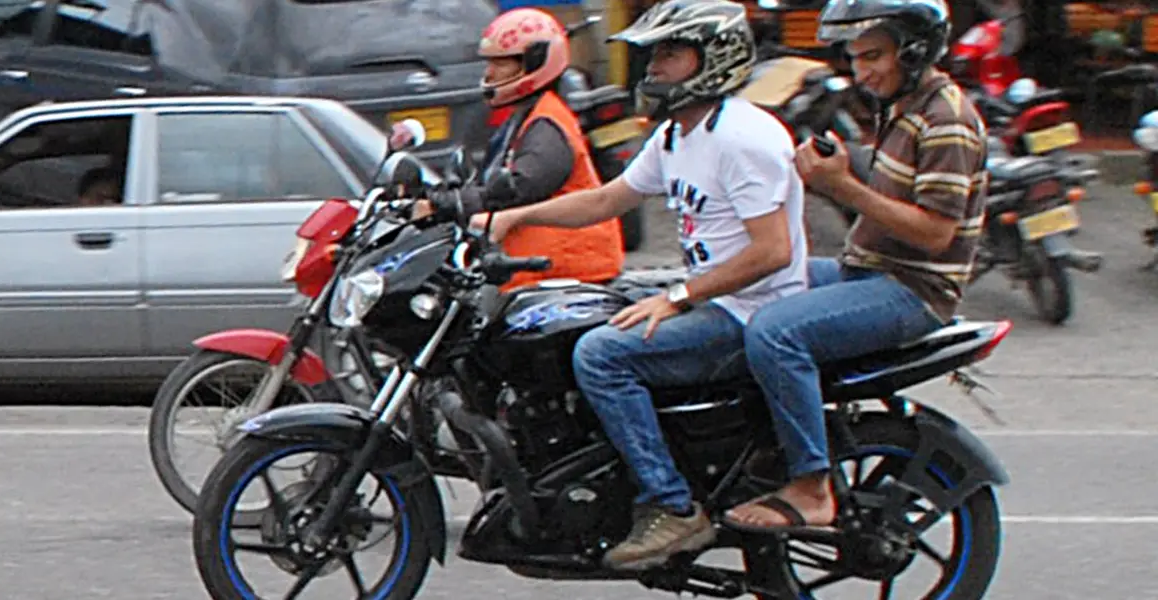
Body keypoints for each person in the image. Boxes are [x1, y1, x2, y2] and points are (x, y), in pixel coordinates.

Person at [476, 0, 809, 571]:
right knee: (581, 315)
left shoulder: (743, 137)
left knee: (601, 355)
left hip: (750, 311)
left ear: (715, 58)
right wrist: (512, 217)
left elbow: (772, 251)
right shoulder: (679, 134)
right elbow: (608, 199)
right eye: (654, 53)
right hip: (712, 294)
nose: (654, 67)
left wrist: (678, 298)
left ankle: (672, 506)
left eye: (671, 53)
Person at [722, 0, 990, 533]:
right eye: (855, 57)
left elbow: (936, 233)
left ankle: (810, 486)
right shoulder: (904, 106)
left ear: (913, 52)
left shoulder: (946, 121)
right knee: (749, 284)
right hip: (869, 268)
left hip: (911, 289)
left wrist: (841, 186)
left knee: (775, 332)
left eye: (873, 57)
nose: (861, 71)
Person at [403, 7, 624, 290]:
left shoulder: (547, 126)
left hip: (565, 272)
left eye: (502, 64)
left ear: (535, 62)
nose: (490, 73)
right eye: (490, 63)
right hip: (534, 269)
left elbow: (519, 187)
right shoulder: (525, 116)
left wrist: (447, 204)